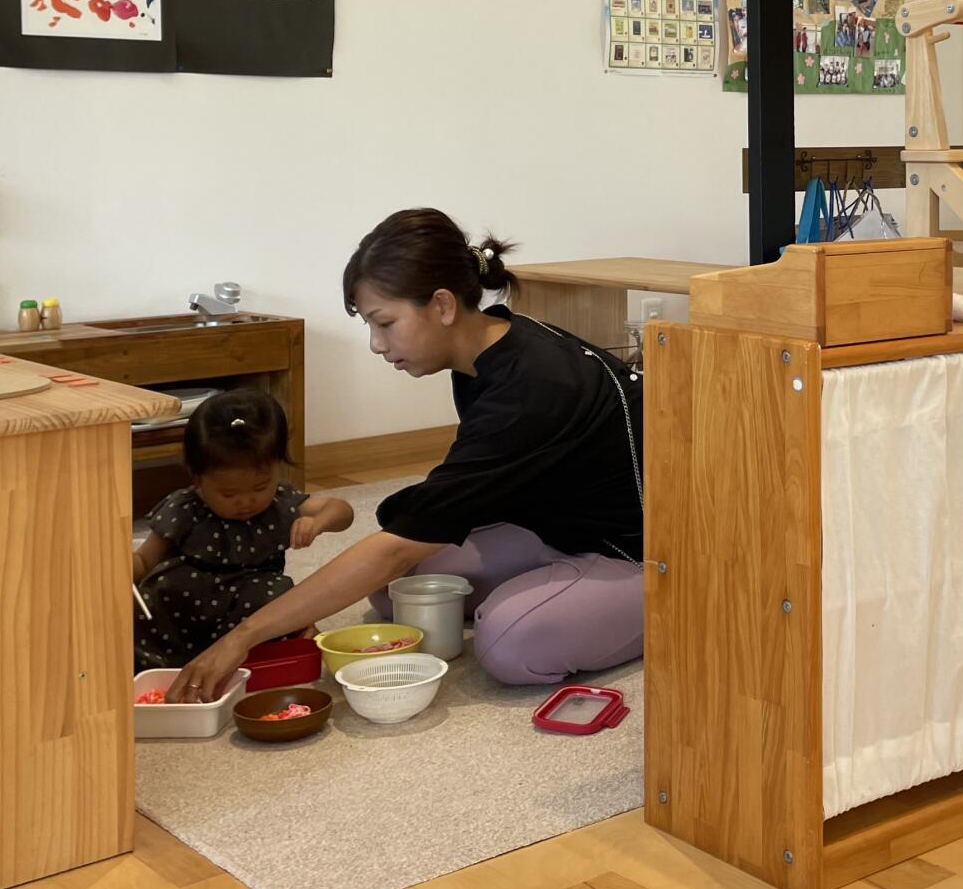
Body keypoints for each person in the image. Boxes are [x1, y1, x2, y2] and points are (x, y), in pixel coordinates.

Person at [166, 209, 645, 700]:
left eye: (385, 323)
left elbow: (401, 542)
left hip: (647, 552)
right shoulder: (489, 348)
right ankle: (564, 594)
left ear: (441, 305)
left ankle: (670, 607)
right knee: (404, 589)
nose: (377, 345)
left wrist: (243, 636)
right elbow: (422, 531)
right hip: (561, 526)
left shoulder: (532, 388)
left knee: (507, 642)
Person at [133, 388, 354, 671]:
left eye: (260, 486)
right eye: (228, 493)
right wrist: (123, 567)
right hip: (184, 608)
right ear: (197, 479)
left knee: (281, 596)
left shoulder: (279, 502)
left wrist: (317, 522)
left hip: (249, 606)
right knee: (146, 601)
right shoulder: (184, 508)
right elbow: (145, 559)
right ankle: (160, 665)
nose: (246, 501)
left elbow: (342, 511)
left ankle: (265, 652)